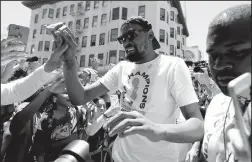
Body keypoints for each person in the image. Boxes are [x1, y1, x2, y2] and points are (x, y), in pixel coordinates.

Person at [51, 16, 204, 162]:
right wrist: (70, 61)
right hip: (120, 158)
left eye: (131, 35)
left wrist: (157, 130)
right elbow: (81, 97)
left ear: (150, 35)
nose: (126, 42)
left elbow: (197, 126)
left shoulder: (172, 66)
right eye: (122, 39)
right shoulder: (122, 68)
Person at [186, 4, 251, 162]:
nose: (218, 65)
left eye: (236, 52)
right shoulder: (216, 103)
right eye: (213, 55)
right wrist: (197, 149)